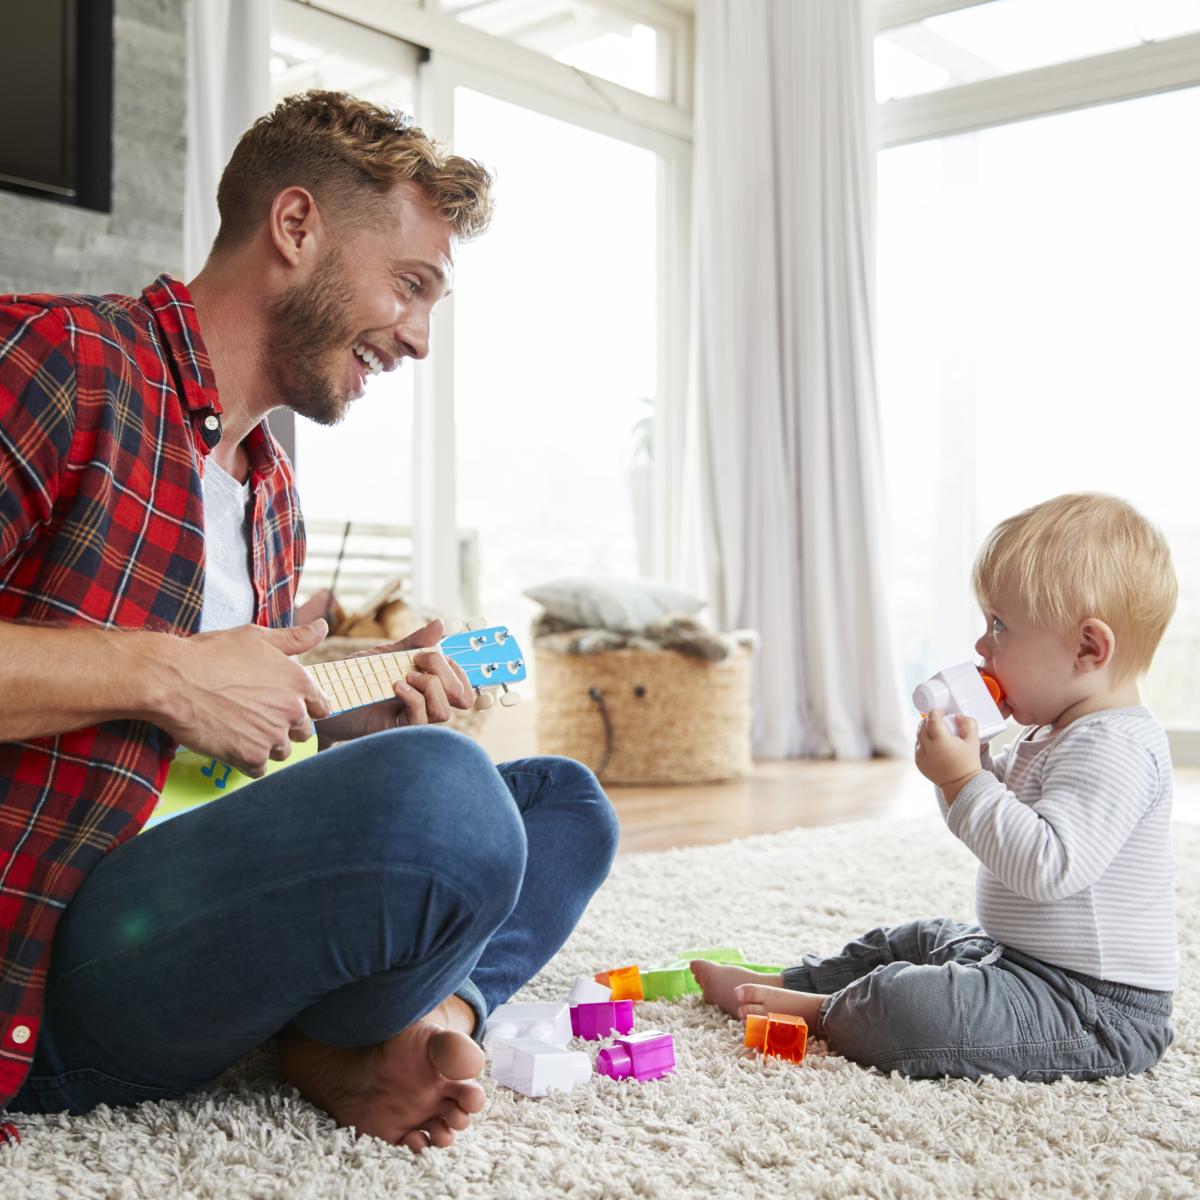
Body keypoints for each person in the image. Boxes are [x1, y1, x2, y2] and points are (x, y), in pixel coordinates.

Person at [0, 90, 618, 1153]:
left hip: (191, 903)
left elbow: (217, 758)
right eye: (410, 285)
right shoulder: (57, 361)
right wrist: (165, 673)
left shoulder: (269, 491)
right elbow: (174, 693)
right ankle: (353, 1040)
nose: (418, 339)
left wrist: (345, 728)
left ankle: (403, 1027)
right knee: (450, 802)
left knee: (564, 805)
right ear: (296, 228)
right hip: (59, 951)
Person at [694, 493, 1177, 1082]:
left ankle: (825, 1013)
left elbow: (1047, 867)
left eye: (1000, 626)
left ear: (1088, 648)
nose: (982, 646)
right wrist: (969, 766)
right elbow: (998, 822)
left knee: (912, 1005)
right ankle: (787, 981)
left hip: (1095, 1009)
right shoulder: (1055, 732)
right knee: (916, 940)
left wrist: (964, 779)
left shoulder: (1114, 748)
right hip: (1020, 962)